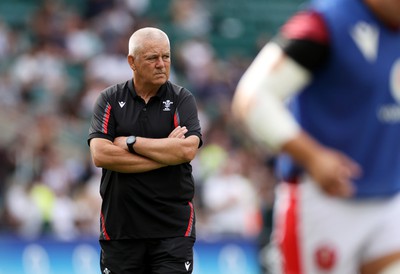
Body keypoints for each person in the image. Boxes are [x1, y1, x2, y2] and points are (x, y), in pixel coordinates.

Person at [232, 0, 400, 273]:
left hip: (391, 200)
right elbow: (253, 97)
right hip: (325, 203)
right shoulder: (324, 22)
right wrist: (313, 157)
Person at [87, 27, 202, 274]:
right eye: (152, 58)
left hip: (172, 231)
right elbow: (101, 155)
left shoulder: (182, 99)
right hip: (121, 231)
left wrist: (130, 142)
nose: (162, 64)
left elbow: (187, 150)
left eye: (166, 57)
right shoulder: (108, 99)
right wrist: (165, 155)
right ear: (132, 62)